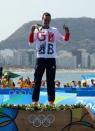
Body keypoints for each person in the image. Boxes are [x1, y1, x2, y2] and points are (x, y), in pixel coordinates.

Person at [28, 12, 70, 106]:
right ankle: (35, 101)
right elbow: (31, 42)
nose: (46, 21)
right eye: (45, 20)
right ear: (42, 19)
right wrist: (31, 31)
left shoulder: (54, 30)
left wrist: (67, 32)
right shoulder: (37, 29)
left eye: (48, 20)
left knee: (51, 81)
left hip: (51, 58)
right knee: (37, 80)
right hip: (40, 58)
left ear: (50, 20)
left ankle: (51, 102)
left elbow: (64, 40)